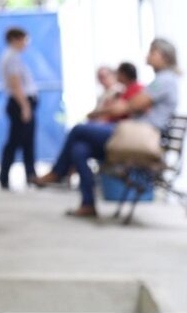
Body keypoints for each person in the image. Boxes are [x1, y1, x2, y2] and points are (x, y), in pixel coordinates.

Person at [33, 39, 181, 218]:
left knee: (78, 130)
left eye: (152, 52)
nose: (148, 56)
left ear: (164, 56)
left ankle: (58, 172)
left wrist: (100, 112)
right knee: (79, 149)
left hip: (138, 137)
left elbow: (132, 104)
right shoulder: (162, 80)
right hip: (133, 134)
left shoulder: (164, 80)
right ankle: (87, 204)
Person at [0, 27, 38, 190]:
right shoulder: (12, 57)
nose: (26, 43)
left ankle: (31, 175)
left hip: (19, 103)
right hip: (19, 103)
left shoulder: (12, 56)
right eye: (24, 39)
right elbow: (15, 84)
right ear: (15, 39)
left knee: (26, 142)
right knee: (15, 142)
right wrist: (25, 106)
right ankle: (6, 177)